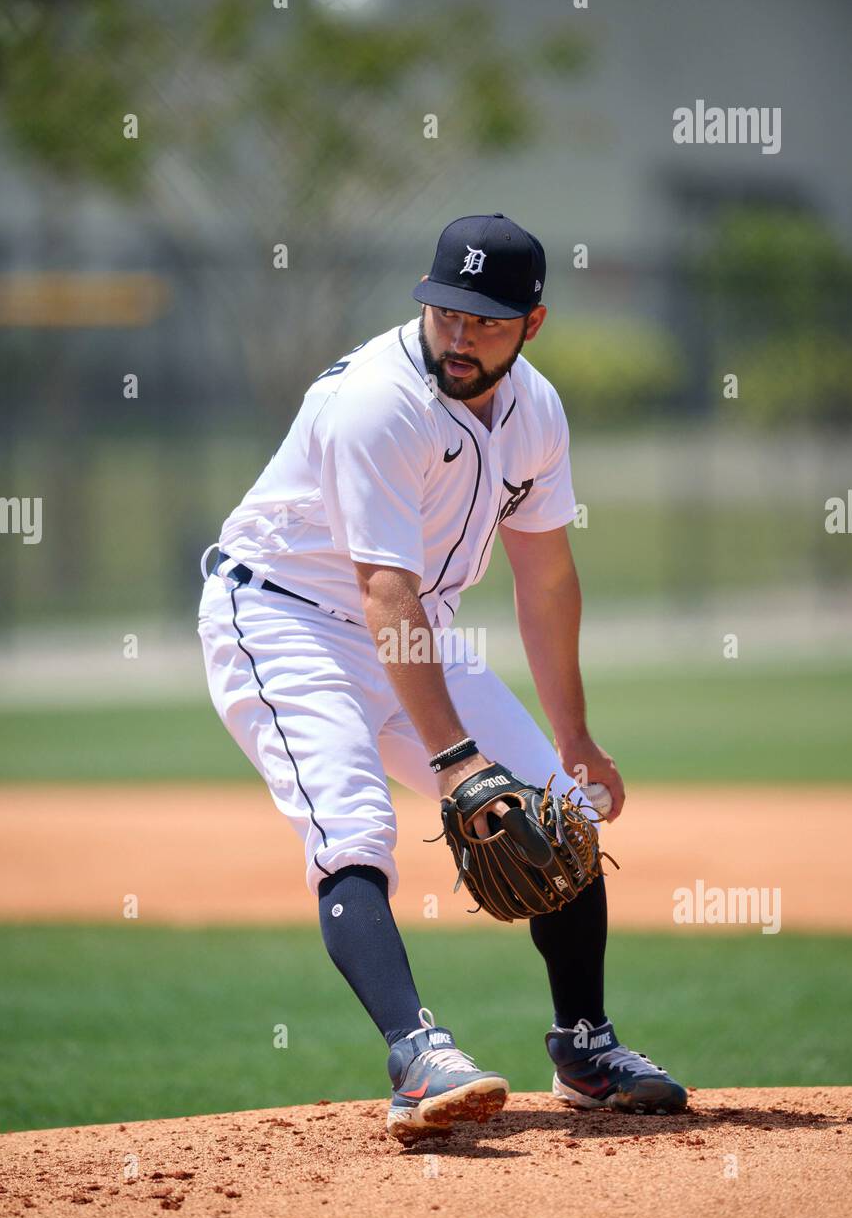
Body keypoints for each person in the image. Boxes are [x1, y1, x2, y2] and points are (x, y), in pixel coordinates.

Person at [197, 212, 687, 1142]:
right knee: (354, 825)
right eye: (447, 314)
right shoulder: (378, 403)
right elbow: (385, 586)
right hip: (284, 621)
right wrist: (455, 759)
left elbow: (545, 578)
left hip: (414, 632)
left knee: (557, 812)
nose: (460, 338)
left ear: (531, 324)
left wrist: (573, 737)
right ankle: (416, 1053)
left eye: (486, 322)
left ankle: (585, 1046)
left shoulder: (534, 410)